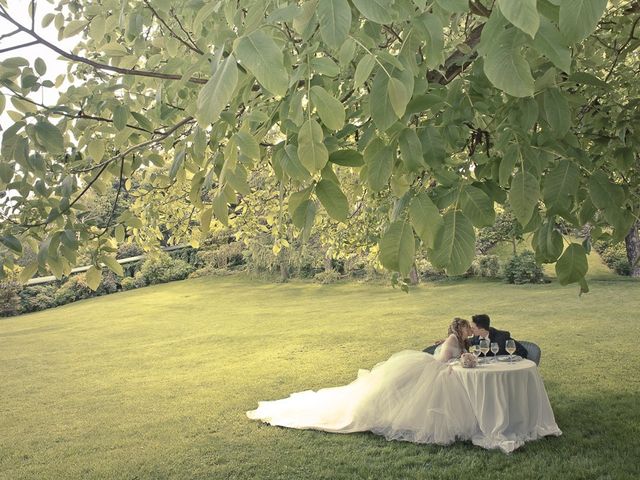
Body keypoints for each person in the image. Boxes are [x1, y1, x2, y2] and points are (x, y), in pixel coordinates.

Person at [247, 318, 479, 446]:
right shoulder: (452, 339)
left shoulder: (460, 340)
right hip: (435, 371)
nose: (470, 331)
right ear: (459, 328)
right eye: (467, 328)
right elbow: (446, 360)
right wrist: (462, 360)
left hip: (439, 369)